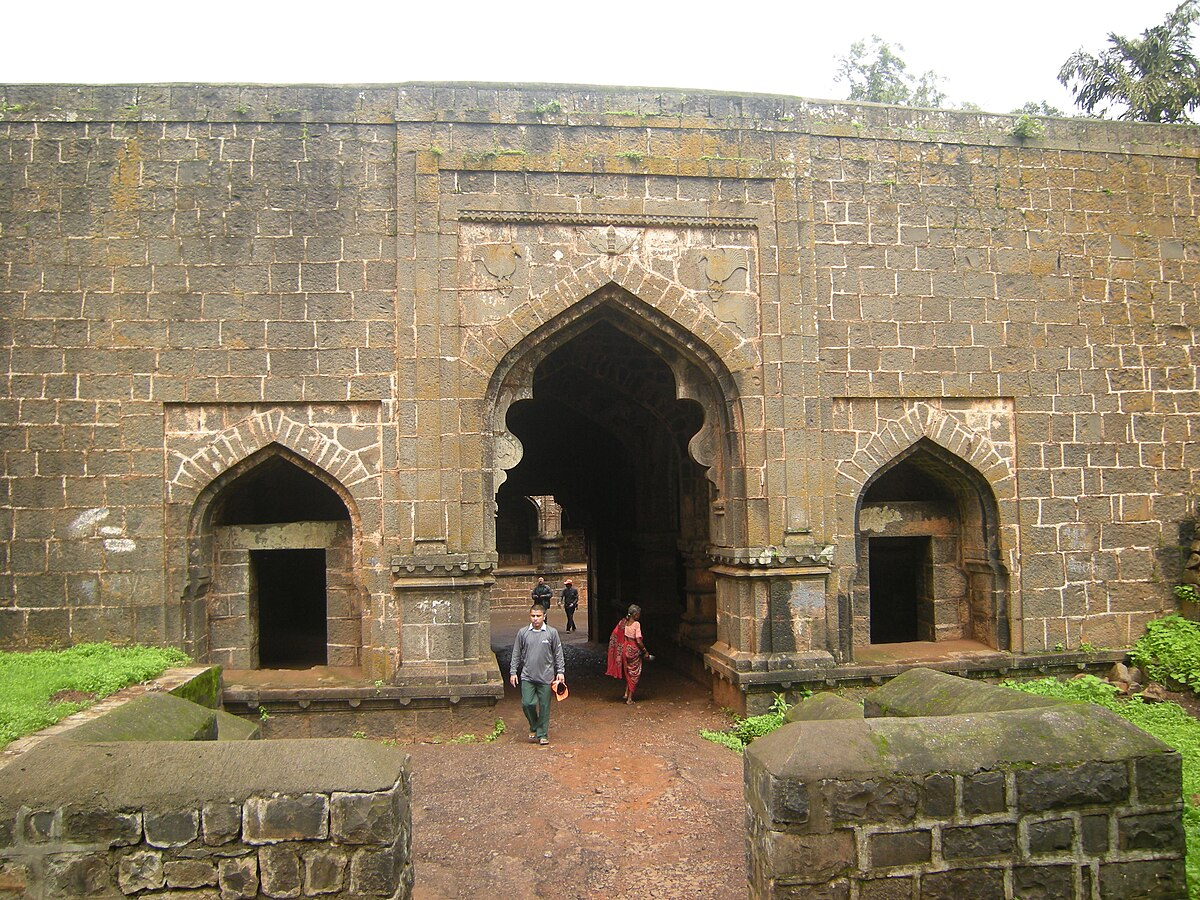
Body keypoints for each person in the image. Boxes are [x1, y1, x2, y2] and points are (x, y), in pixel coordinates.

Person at [509, 603, 565, 745]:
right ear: (529, 616)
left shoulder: (552, 633)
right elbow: (516, 653)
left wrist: (560, 672)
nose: (535, 619)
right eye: (533, 616)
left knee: (545, 706)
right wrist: (513, 672)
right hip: (527, 675)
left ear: (544, 616)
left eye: (538, 616)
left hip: (546, 676)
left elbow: (558, 654)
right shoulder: (523, 633)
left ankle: (543, 734)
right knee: (527, 703)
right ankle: (534, 725)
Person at [605, 604, 653, 703]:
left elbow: (615, 635)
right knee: (634, 674)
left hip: (623, 650)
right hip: (633, 650)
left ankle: (626, 693)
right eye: (639, 614)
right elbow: (638, 640)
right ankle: (630, 698)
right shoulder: (636, 624)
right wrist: (645, 651)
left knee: (627, 671)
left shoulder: (622, 623)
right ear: (635, 615)